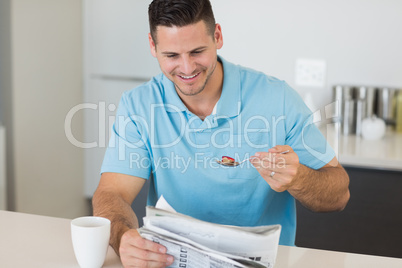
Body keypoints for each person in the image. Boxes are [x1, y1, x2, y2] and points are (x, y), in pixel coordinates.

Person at [92, 0, 350, 267]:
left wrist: (299, 178)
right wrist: (123, 238)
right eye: (171, 56)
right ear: (152, 46)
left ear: (217, 36)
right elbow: (112, 193)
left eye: (197, 51)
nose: (187, 68)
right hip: (174, 261)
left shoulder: (277, 99)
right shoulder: (139, 105)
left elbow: (339, 195)